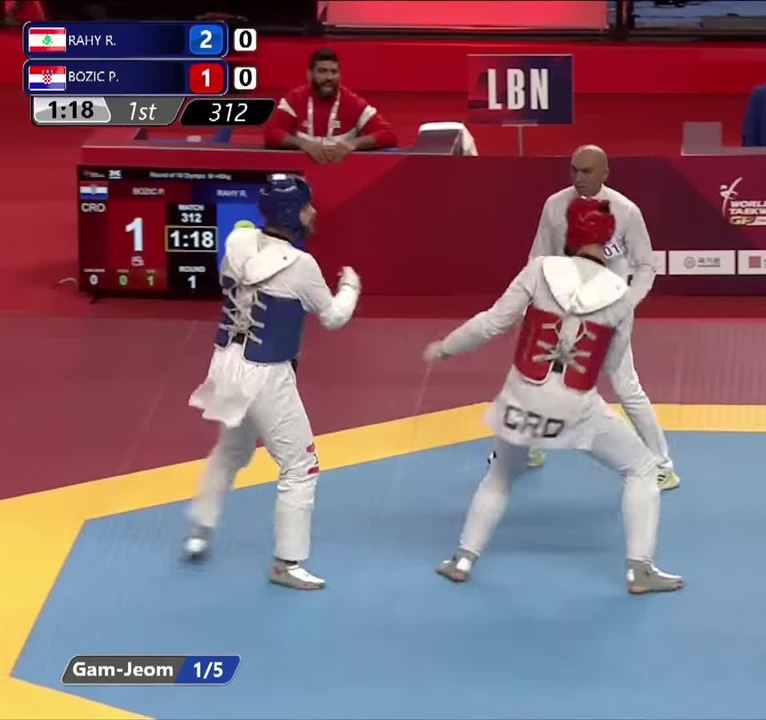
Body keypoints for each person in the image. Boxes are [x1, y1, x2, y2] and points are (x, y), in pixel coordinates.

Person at [424, 197, 683, 595]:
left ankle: (462, 559)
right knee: (643, 469)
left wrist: (446, 347)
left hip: (521, 396)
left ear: (568, 233)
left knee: (500, 475)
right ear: (608, 241)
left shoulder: (539, 270)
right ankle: (640, 569)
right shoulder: (620, 294)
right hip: (575, 405)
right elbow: (613, 365)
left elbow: (492, 323)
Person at [183, 174, 363, 591]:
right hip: (266, 372)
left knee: (231, 450)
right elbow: (333, 316)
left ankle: (199, 531)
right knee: (301, 467)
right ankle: (287, 562)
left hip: (225, 363)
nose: (313, 212)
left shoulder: (236, 242)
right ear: (291, 212)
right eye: (306, 206)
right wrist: (351, 286)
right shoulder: (301, 266)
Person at [520, 144, 680, 491]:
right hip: (564, 310)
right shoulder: (554, 206)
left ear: (605, 173)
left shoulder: (626, 211)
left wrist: (627, 303)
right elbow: (538, 258)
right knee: (540, 378)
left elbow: (647, 265)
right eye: (574, 170)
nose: (578, 177)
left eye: (587, 171)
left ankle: (662, 466)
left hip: (610, 314)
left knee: (625, 386)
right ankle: (529, 449)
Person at [263, 48, 398, 163]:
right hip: (301, 173)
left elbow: (388, 134)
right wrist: (302, 144)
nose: (329, 77)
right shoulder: (295, 99)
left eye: (334, 72)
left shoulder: (353, 102)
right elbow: (271, 133)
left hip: (344, 175)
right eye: (322, 71)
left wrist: (353, 144)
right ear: (309, 74)